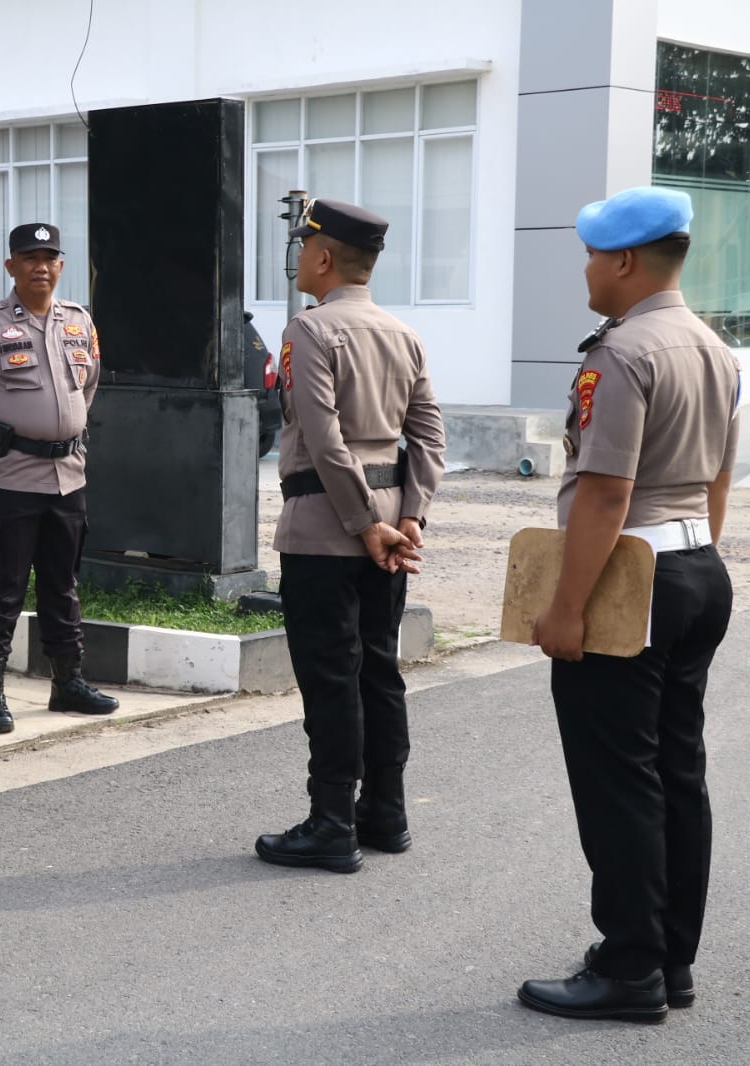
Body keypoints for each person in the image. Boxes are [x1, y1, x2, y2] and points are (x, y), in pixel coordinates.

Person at [519, 187, 740, 1024]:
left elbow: (606, 491)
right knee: (675, 770)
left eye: (588, 255)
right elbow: (717, 479)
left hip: (629, 579)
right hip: (696, 568)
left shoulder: (619, 353)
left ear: (622, 261)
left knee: (617, 780)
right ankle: (668, 956)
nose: (583, 269)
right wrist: (692, 554)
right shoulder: (715, 349)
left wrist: (566, 607)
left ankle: (628, 967)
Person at [253, 199, 445, 874]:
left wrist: (365, 525)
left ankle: (332, 822)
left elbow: (325, 438)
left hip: (325, 528)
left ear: (324, 257)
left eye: (303, 248)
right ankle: (385, 812)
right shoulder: (402, 333)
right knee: (378, 671)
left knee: (331, 678)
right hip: (391, 527)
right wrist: (409, 515)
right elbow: (428, 435)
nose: (298, 259)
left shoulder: (309, 330)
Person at [0, 222, 120, 735]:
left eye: (49, 258)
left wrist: (65, 433)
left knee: (62, 587)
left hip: (67, 479)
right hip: (7, 482)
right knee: (2, 592)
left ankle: (68, 683)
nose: (41, 267)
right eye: (30, 258)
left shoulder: (79, 321)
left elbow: (87, 387)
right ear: (11, 266)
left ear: (61, 265)